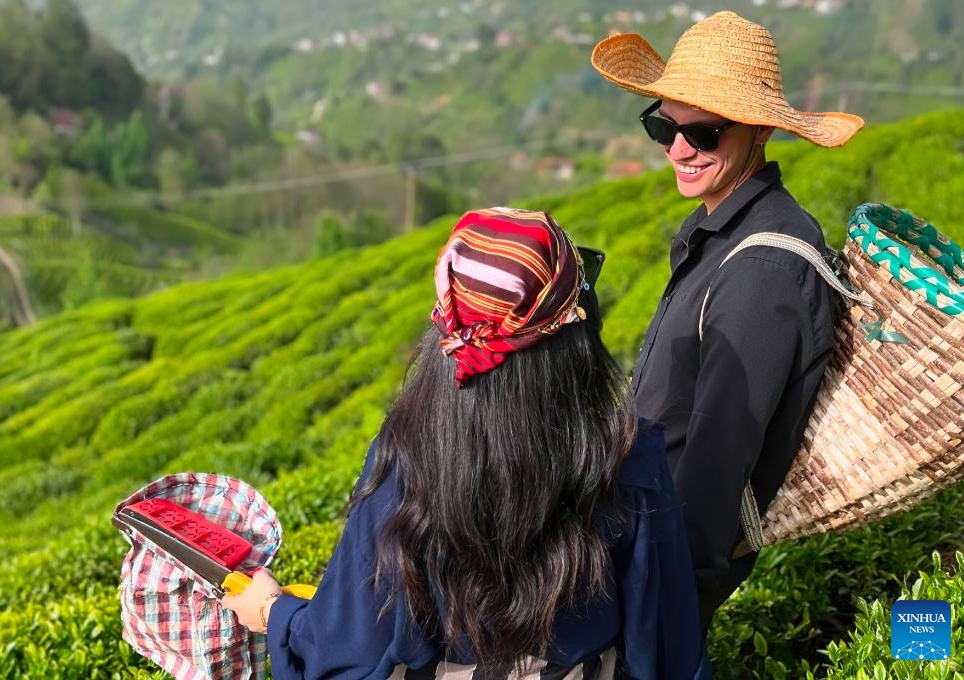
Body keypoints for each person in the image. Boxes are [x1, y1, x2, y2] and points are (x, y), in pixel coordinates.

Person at [221, 207, 713, 679]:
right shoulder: (627, 456)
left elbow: (345, 647)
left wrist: (272, 610)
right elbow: (667, 644)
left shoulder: (406, 462)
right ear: (574, 328)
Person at [590, 11, 864, 630]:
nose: (678, 148)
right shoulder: (718, 234)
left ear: (759, 131)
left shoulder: (764, 267)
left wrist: (659, 609)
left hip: (657, 569)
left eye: (705, 133)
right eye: (663, 125)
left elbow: (717, 462)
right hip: (633, 537)